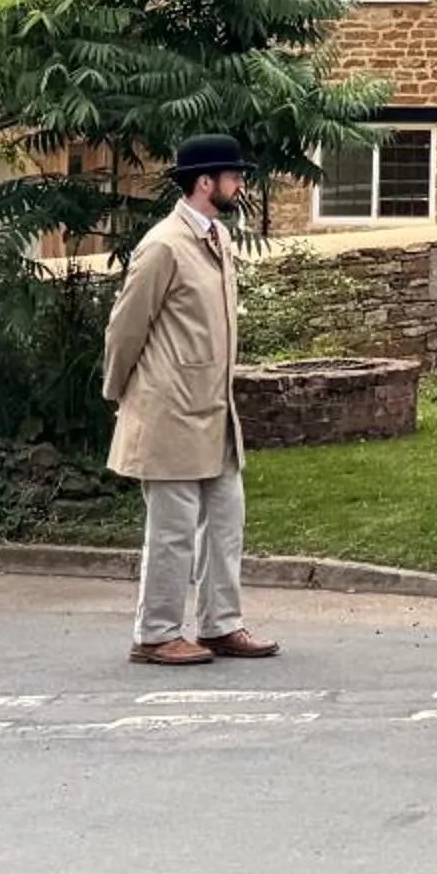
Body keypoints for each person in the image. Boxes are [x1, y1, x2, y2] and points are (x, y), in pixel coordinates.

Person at [103, 134, 278, 668]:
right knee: (173, 532)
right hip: (169, 410)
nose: (241, 184)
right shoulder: (163, 245)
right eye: (234, 176)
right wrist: (119, 393)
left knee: (227, 520)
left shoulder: (218, 238)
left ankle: (220, 625)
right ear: (207, 182)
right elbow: (124, 327)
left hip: (215, 409)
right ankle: (155, 635)